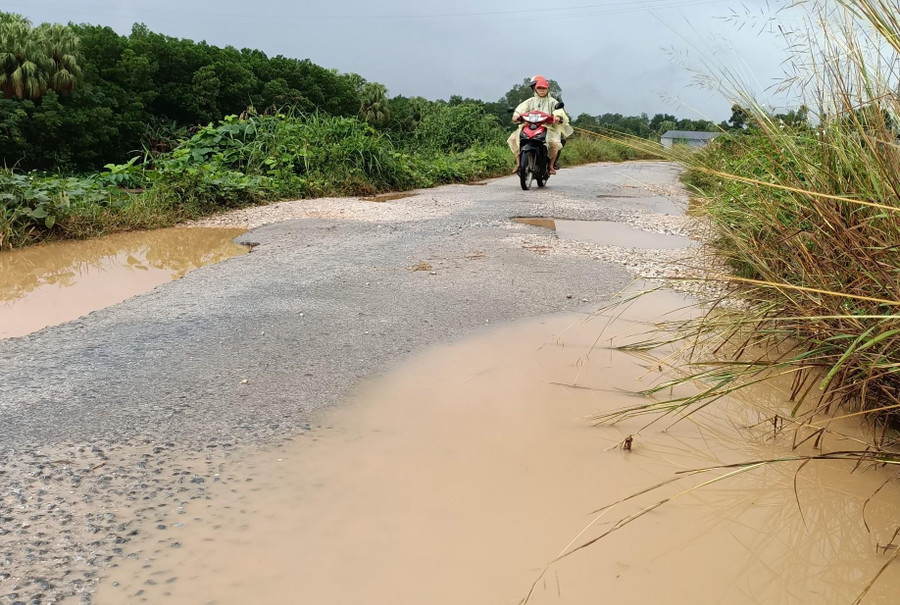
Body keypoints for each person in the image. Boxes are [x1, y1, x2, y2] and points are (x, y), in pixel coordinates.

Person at [507, 75, 570, 174]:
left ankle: (551, 165)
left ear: (547, 89)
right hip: (529, 126)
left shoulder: (553, 102)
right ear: (535, 89)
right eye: (539, 88)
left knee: (555, 143)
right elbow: (520, 109)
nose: (541, 90)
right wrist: (516, 116)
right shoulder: (529, 101)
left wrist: (557, 117)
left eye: (543, 88)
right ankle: (518, 163)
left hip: (548, 127)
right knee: (513, 138)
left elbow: (560, 112)